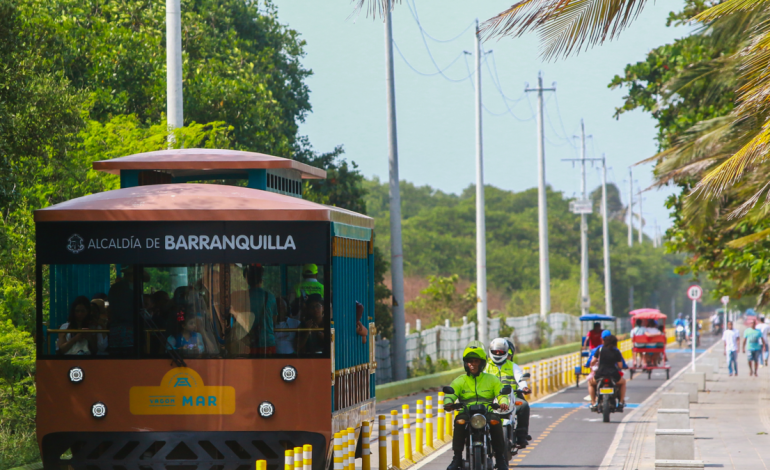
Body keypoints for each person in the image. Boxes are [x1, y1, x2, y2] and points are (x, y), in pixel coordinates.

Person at [445, 341, 509, 470]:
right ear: (466, 363)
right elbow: (451, 394)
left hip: (487, 411)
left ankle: (500, 458)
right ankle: (457, 458)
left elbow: (501, 393)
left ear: (482, 363)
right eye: (470, 361)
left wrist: (503, 403)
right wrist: (448, 403)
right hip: (466, 412)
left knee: (495, 422)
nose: (472, 364)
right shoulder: (460, 380)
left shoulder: (492, 379)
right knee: (459, 422)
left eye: (476, 361)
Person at [484, 338, 531, 448]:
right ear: (490, 351)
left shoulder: (512, 365)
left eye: (500, 352)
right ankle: (479, 437)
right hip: (491, 398)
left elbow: (520, 378)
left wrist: (524, 387)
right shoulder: (485, 366)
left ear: (506, 352)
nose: (497, 354)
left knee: (524, 405)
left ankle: (521, 436)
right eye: (495, 352)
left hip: (512, 398)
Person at [245, 264, 277, 355]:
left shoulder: (242, 297)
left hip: (248, 343)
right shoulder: (270, 297)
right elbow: (274, 320)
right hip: (267, 342)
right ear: (261, 279)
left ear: (247, 280)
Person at [589, 335, 626, 411]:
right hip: (613, 374)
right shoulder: (616, 351)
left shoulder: (600, 349)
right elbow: (620, 365)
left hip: (600, 374)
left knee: (591, 383)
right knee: (623, 382)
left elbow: (593, 361)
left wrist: (592, 365)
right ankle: (621, 402)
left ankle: (593, 402)